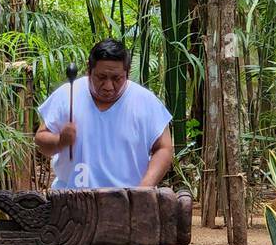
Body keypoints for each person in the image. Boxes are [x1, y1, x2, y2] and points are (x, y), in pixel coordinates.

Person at [35, 39, 174, 189]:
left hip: (129, 203)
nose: (108, 86)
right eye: (101, 77)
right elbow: (41, 141)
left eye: (116, 79)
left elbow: (164, 148)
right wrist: (59, 141)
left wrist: (145, 188)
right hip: (71, 200)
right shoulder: (67, 94)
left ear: (126, 73)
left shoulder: (145, 101)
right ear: (89, 71)